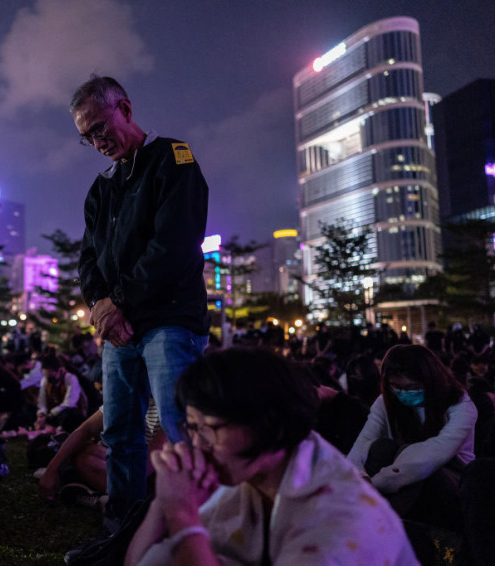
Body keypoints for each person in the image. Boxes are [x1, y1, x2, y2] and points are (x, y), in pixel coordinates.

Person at [125, 348, 417, 566]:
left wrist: (181, 514)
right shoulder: (249, 478)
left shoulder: (340, 524)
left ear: (272, 426)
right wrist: (165, 501)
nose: (197, 445)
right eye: (192, 428)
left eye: (210, 429)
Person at [73, 75, 209, 519]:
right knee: (119, 432)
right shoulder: (101, 189)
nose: (96, 141)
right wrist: (100, 307)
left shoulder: (174, 159)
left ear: (125, 109)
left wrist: (119, 304)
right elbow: (88, 258)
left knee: (181, 427)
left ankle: (196, 527)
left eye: (99, 127)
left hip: (169, 320)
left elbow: (175, 246)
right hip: (120, 328)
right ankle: (123, 527)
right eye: (86, 136)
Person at [347, 344, 477, 530]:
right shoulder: (386, 402)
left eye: (411, 387)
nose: (403, 393)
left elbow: (431, 455)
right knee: (380, 448)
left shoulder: (460, 405)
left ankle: (376, 522)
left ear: (430, 380)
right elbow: (363, 443)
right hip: (395, 481)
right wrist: (358, 477)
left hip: (450, 478)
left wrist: (373, 484)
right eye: (396, 387)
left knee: (409, 455)